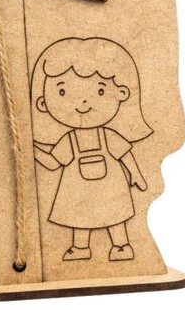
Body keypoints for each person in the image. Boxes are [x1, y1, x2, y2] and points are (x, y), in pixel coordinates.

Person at [32, 37, 152, 261]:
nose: (82, 102)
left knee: (114, 213)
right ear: (43, 103)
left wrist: (136, 174)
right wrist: (32, 149)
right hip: (78, 191)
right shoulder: (69, 140)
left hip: (110, 188)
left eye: (99, 91)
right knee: (80, 217)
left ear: (122, 93)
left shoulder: (108, 136)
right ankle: (80, 248)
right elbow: (52, 162)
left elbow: (125, 153)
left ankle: (121, 245)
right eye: (62, 92)